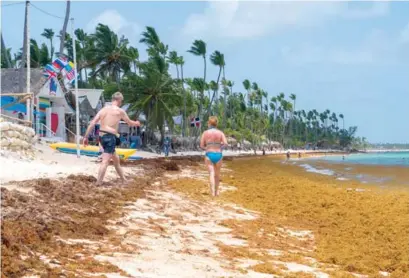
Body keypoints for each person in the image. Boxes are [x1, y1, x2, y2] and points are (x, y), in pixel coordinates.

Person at [83, 92, 140, 185]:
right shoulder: (119, 111)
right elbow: (129, 122)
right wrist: (136, 123)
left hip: (101, 137)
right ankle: (98, 182)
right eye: (121, 101)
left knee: (116, 160)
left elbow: (93, 123)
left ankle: (124, 180)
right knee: (105, 161)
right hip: (110, 137)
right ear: (119, 100)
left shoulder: (103, 110)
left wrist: (86, 137)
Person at [200, 116, 228, 197]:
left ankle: (212, 193)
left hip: (209, 154)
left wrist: (207, 148)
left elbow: (201, 145)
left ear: (209, 123)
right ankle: (217, 192)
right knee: (217, 174)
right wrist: (220, 148)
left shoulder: (205, 133)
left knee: (211, 173)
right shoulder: (220, 132)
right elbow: (225, 143)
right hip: (218, 154)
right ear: (216, 124)